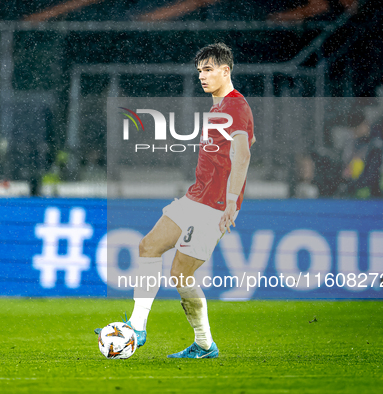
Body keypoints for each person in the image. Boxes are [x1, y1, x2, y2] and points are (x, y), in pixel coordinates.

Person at [97, 43, 255, 359]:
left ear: (226, 71)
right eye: (200, 71)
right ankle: (137, 326)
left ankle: (204, 344)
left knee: (181, 275)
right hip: (195, 197)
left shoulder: (236, 107)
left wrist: (231, 201)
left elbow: (243, 154)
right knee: (149, 246)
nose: (203, 76)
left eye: (209, 69)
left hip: (213, 206)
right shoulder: (219, 109)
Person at [341, 111, 383, 198]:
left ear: (365, 124)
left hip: (378, 194)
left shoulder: (376, 144)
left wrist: (351, 186)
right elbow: (345, 169)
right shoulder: (353, 144)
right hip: (360, 194)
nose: (353, 134)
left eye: (356, 130)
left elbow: (372, 175)